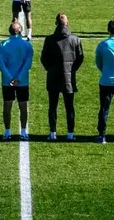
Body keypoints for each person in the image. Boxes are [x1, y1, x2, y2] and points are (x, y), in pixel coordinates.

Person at [41, 13, 84, 141]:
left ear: (56, 23)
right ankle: (70, 133)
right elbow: (80, 58)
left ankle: (53, 133)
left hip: (53, 77)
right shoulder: (75, 39)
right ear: (67, 23)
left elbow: (44, 59)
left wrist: (50, 69)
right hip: (68, 78)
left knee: (52, 106)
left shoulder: (49, 39)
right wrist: (72, 70)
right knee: (69, 107)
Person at [0, 22, 34, 140]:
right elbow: (27, 64)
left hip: (7, 82)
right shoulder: (26, 45)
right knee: (23, 106)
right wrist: (18, 78)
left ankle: (7, 131)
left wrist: (10, 78)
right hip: (22, 81)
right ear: (21, 31)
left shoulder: (3, 44)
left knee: (7, 106)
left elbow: (1, 64)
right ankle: (23, 131)